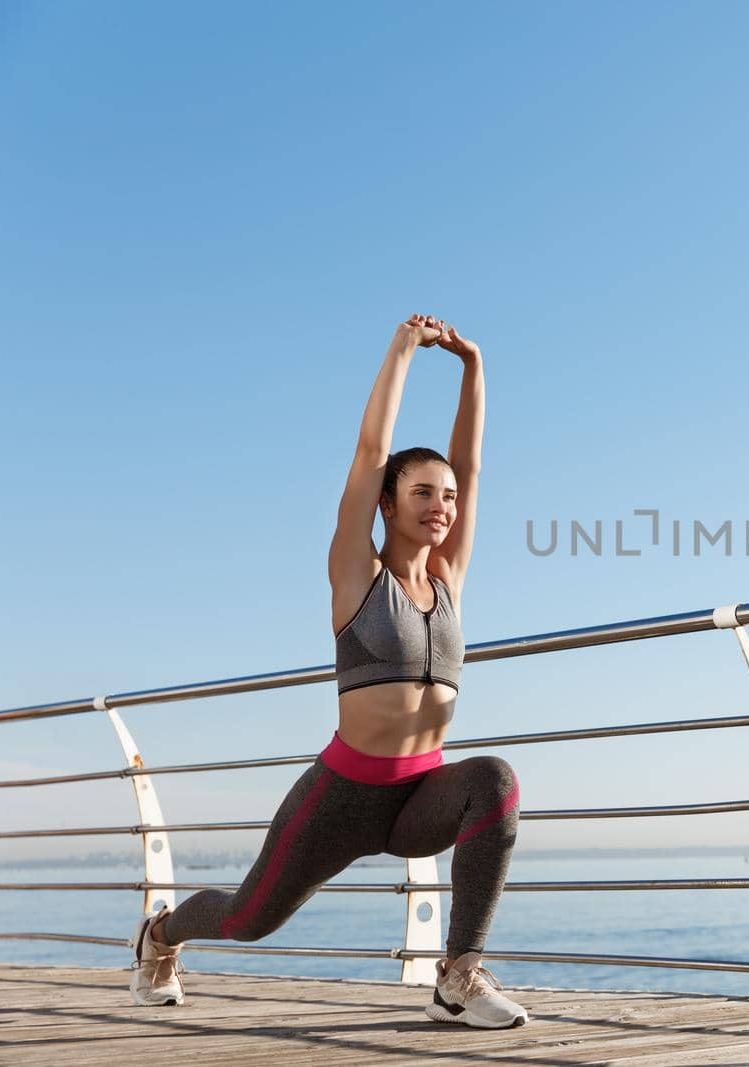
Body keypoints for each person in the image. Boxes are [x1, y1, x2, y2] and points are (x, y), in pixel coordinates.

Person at [127, 313, 528, 1029]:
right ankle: (160, 935)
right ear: (386, 501)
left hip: (421, 796)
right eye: (422, 493)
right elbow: (372, 448)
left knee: (494, 780)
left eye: (448, 497)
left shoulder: (450, 580)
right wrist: (402, 351)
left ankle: (458, 976)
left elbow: (471, 465)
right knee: (250, 916)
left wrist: (474, 369)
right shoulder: (356, 574)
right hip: (343, 796)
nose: (442, 505)